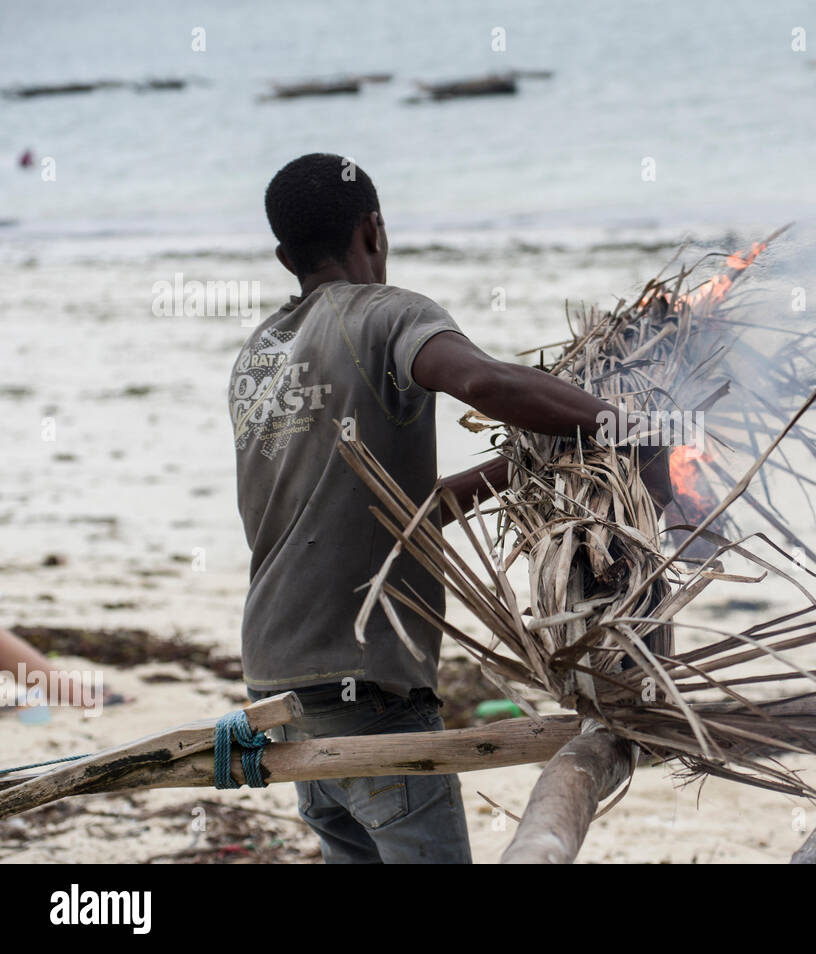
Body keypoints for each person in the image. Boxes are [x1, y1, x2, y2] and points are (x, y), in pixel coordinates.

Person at [232, 153, 671, 863]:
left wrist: (525, 464)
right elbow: (481, 379)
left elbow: (402, 513)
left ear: (285, 256)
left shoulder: (258, 357)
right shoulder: (385, 314)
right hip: (368, 686)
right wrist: (627, 427)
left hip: (278, 682)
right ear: (373, 230)